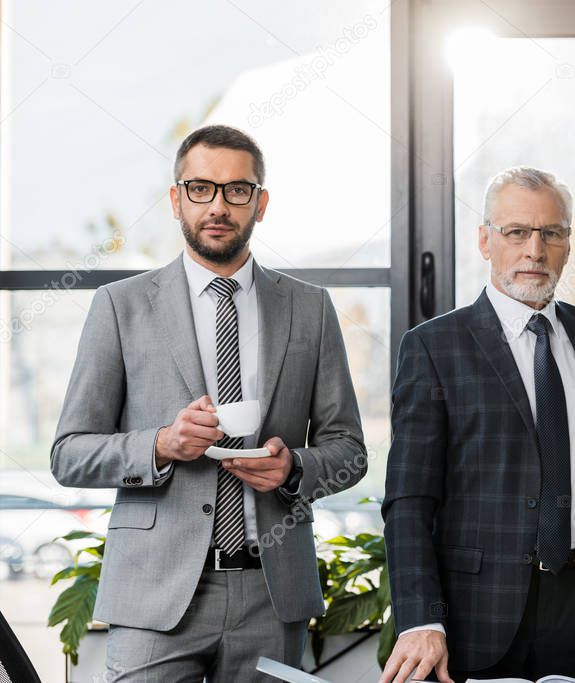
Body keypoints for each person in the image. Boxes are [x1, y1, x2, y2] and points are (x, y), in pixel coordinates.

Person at [51, 125, 368, 680]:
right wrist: (160, 444)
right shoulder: (120, 307)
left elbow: (349, 450)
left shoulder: (310, 309)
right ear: (176, 199)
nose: (218, 206)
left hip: (272, 596)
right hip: (154, 595)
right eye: (200, 188)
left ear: (260, 203)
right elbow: (69, 454)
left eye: (237, 190)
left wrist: (294, 467)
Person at [380, 167, 575, 683]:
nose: (535, 250)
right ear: (485, 241)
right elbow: (409, 498)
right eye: (517, 232)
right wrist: (420, 617)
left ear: (568, 243)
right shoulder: (434, 347)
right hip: (470, 614)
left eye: (552, 233)